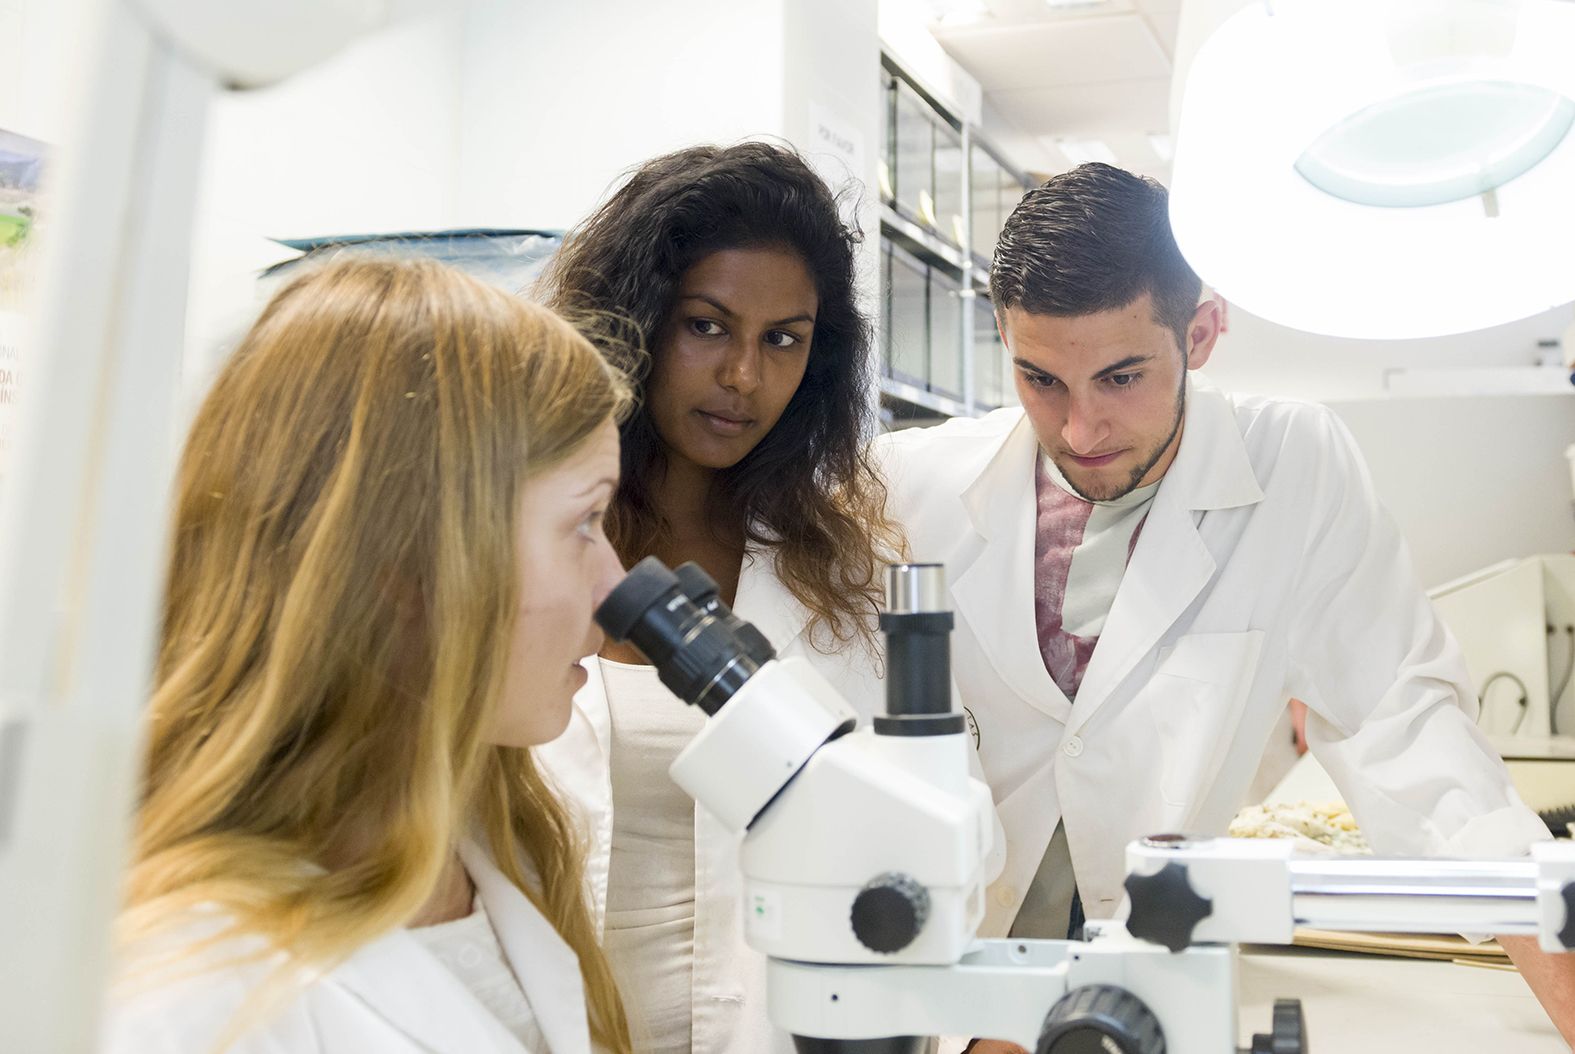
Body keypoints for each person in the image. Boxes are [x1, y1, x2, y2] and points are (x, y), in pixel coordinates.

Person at [872, 163, 1575, 1049]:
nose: (1079, 431)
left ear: (1201, 332)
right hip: (944, 984)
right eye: (1040, 380)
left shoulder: (1294, 465)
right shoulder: (910, 485)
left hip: (1148, 974)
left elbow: (1404, 727)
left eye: (1122, 378)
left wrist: (1558, 975)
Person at [103, 257, 634, 1053]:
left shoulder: (504, 846)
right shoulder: (189, 998)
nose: (615, 583)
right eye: (584, 522)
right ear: (408, 567)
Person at [536, 142, 902, 1054]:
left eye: (783, 339)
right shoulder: (530, 544)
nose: (745, 374)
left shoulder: (839, 574)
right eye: (707, 326)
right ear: (637, 319)